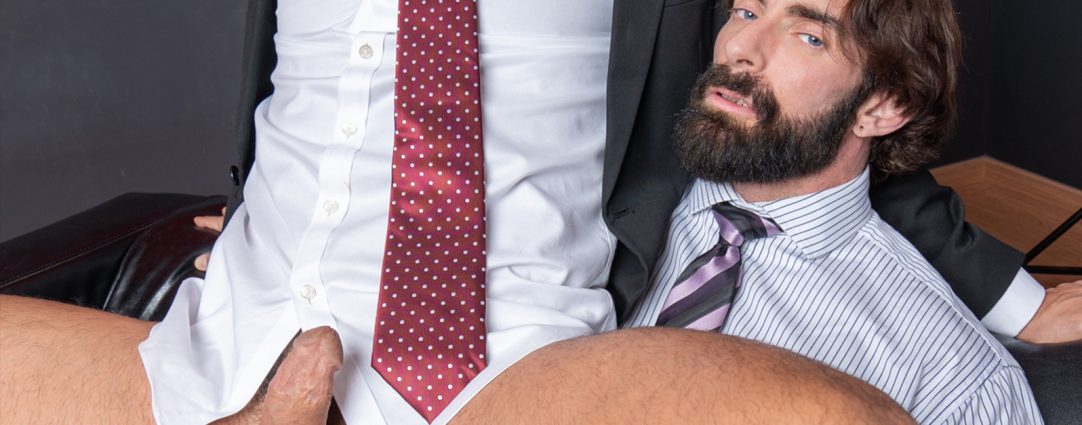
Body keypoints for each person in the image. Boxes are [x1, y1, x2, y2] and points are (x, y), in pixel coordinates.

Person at [0, 0, 1076, 424]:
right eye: (745, 11)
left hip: (509, 369)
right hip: (232, 335)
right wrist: (253, 207)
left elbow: (839, 99)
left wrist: (1010, 297)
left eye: (785, 24)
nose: (746, 35)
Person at [619, 0, 1044, 421]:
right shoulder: (610, 212)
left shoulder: (956, 378)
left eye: (809, 37)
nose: (738, 47)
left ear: (881, 108)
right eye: (745, 13)